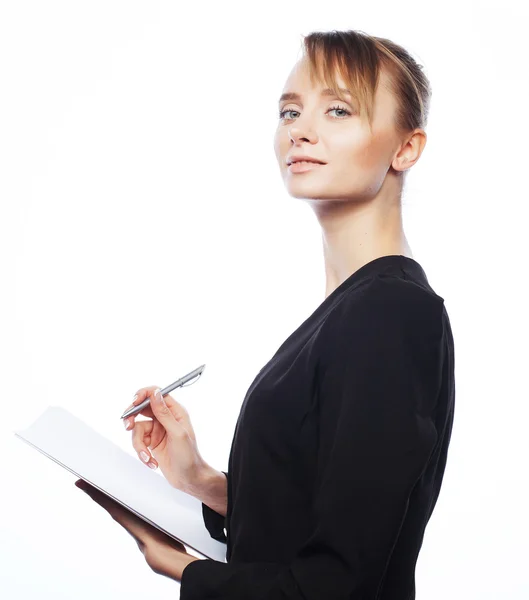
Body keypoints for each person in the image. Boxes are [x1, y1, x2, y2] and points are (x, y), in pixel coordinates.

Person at [77, 28, 456, 599]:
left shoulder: (390, 314)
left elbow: (339, 584)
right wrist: (204, 483)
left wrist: (181, 566)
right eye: (289, 111)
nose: (300, 130)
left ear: (406, 147)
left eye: (337, 109)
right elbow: (330, 519)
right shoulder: (353, 311)